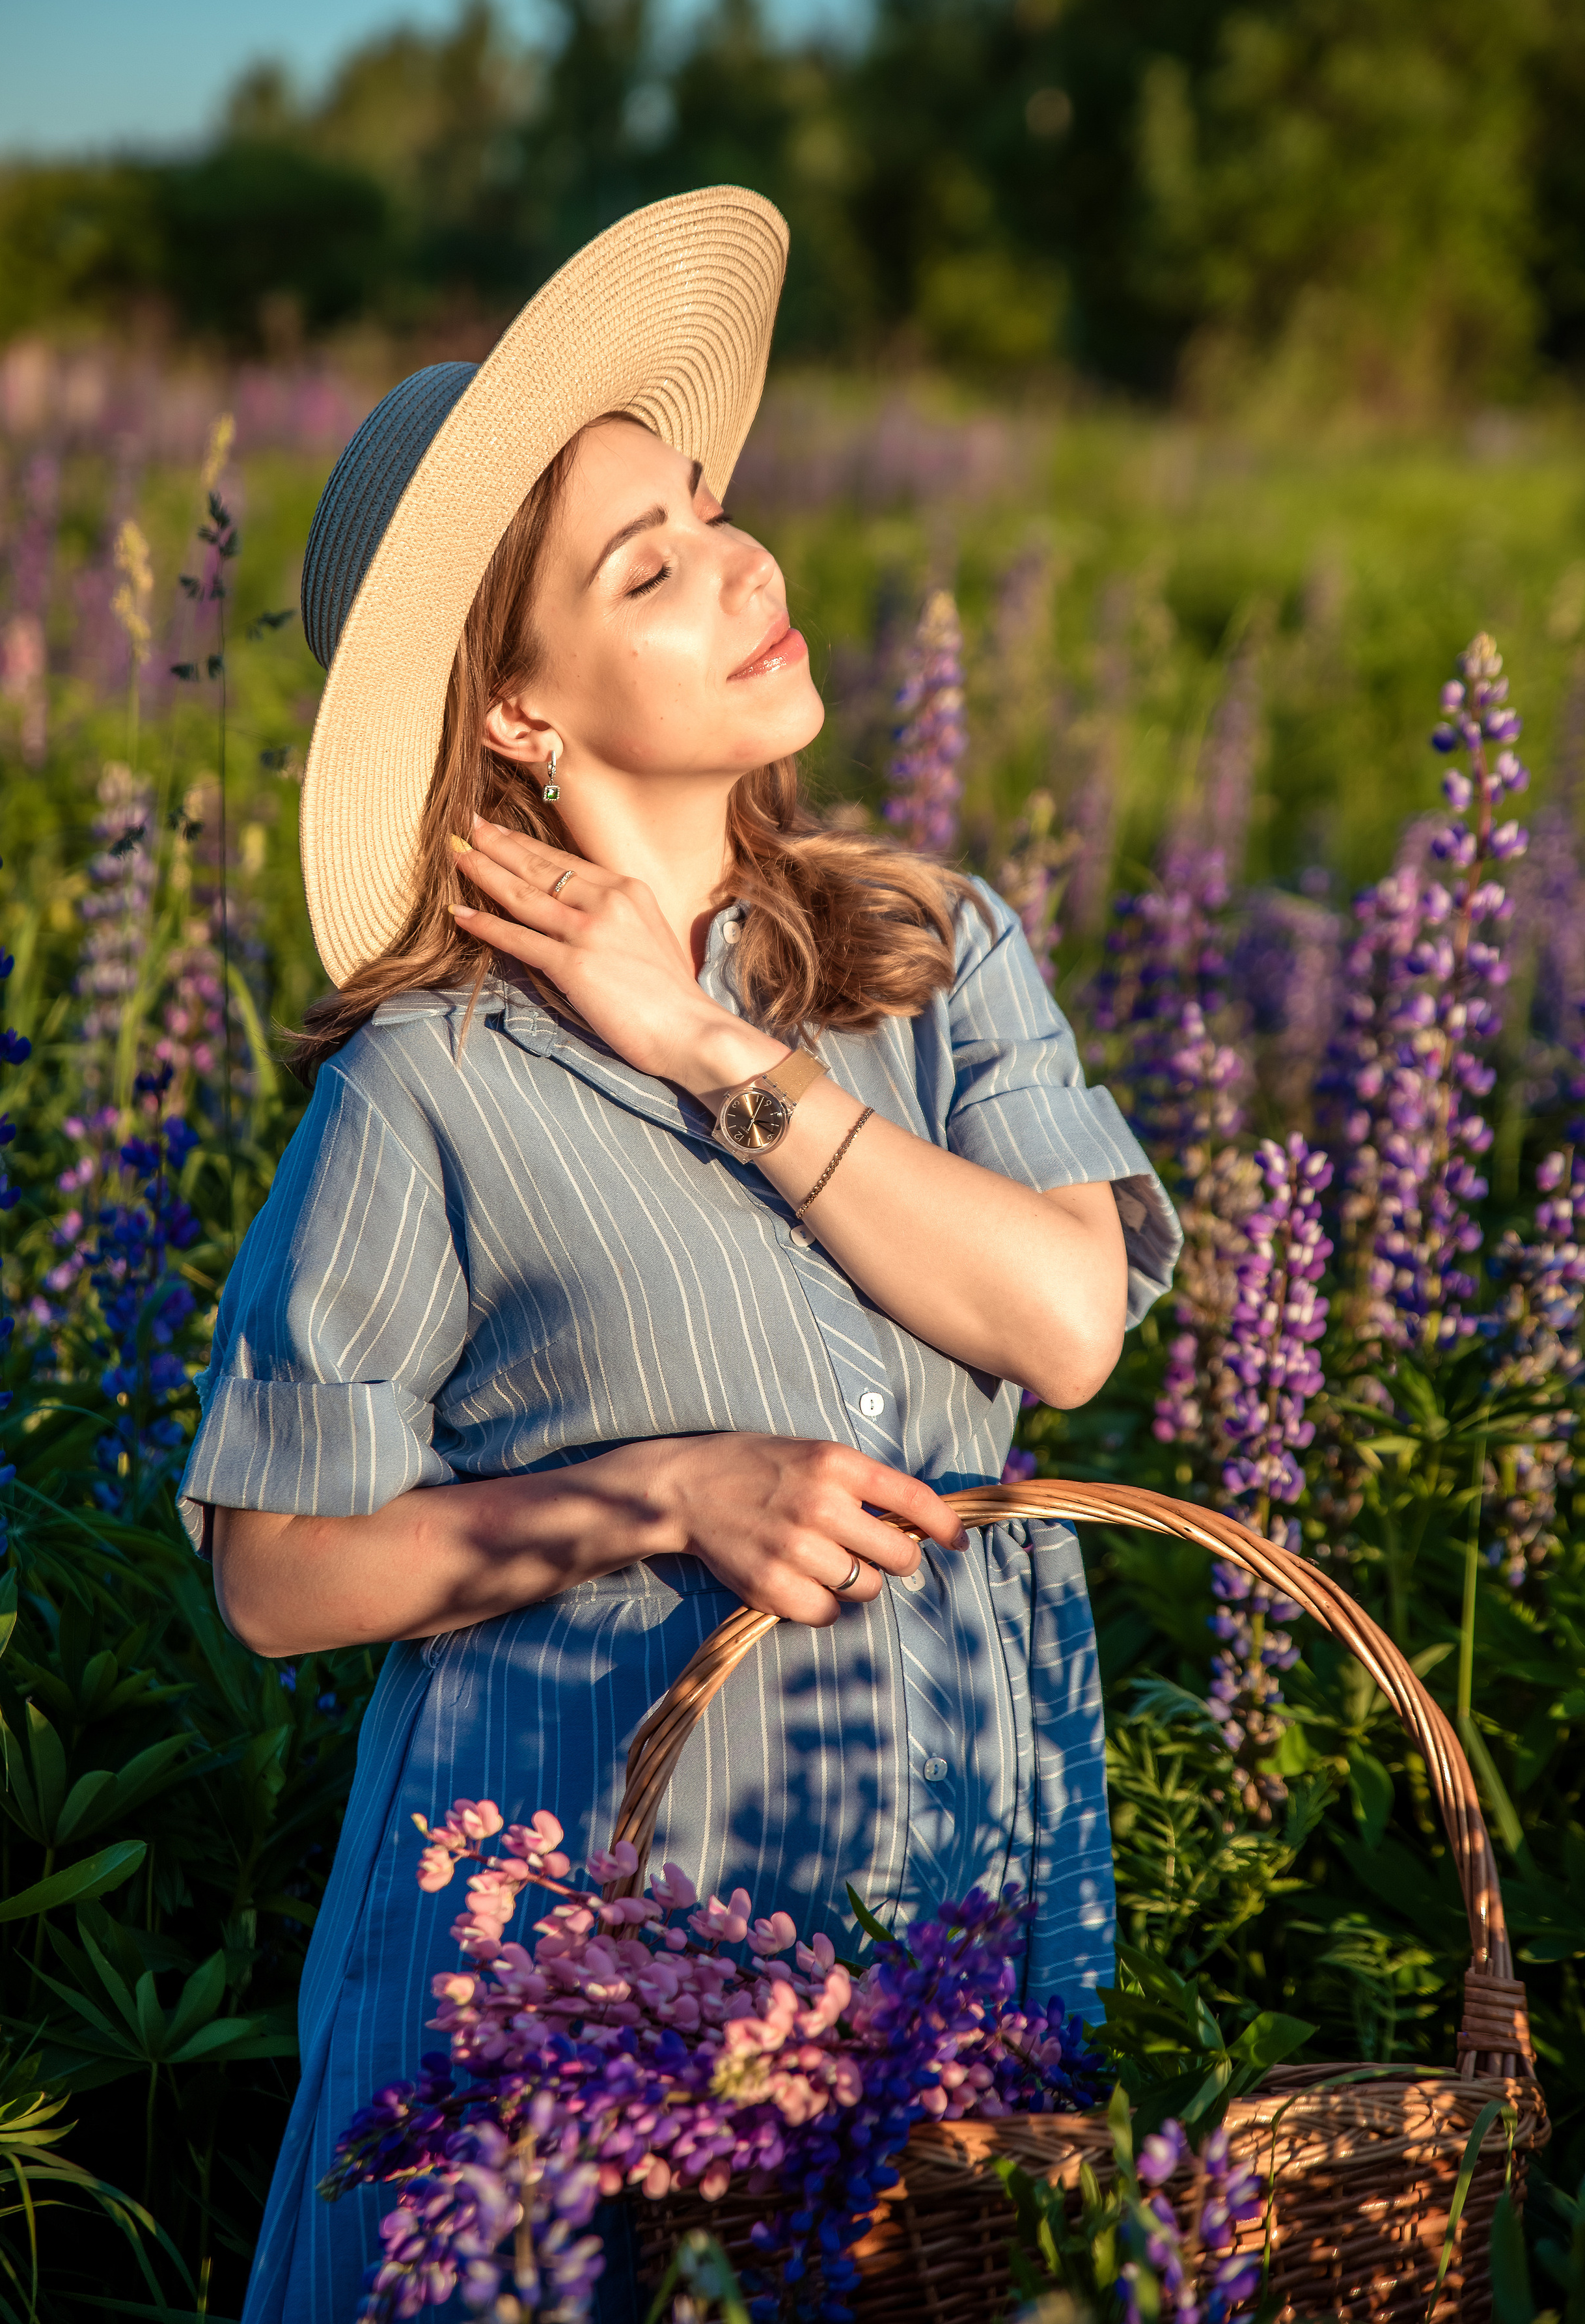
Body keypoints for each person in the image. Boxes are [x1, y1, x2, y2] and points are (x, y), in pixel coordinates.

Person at [178, 187, 1180, 2324]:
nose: (750, 569)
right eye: (649, 567)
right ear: (522, 713)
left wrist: (714, 1046)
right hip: (589, 1987)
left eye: (712, 510)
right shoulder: (430, 1078)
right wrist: (660, 1495)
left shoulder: (934, 952)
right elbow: (274, 1568)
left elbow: (1067, 1323)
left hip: (953, 1912)